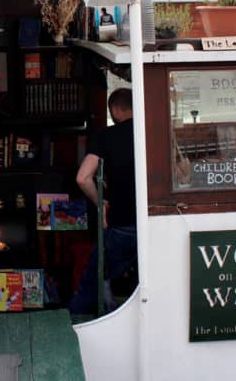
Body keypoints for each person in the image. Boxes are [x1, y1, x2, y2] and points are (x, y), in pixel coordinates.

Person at [69, 88, 138, 316]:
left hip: (122, 224)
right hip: (154, 224)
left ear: (115, 111)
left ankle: (75, 329)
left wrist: (101, 203)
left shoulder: (106, 136)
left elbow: (83, 178)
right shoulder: (152, 131)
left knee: (95, 280)